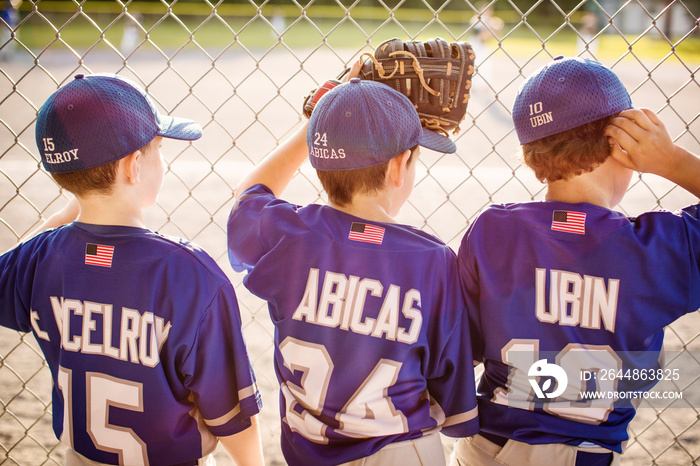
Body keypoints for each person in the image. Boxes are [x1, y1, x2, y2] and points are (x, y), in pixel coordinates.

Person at [0, 73, 264, 466]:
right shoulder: (189, 275)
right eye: (158, 148)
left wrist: (74, 205)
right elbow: (230, 413)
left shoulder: (39, 259)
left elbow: (17, 264)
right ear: (135, 165)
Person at [451, 55, 700, 466]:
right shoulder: (661, 247)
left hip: (483, 449)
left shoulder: (494, 230)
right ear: (621, 141)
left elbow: (467, 347)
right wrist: (670, 161)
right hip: (580, 455)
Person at [227, 63, 479, 466]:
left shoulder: (287, 235)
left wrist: (315, 124)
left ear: (316, 157)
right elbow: (450, 390)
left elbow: (249, 195)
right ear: (399, 167)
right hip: (400, 451)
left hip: (308, 450)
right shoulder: (432, 260)